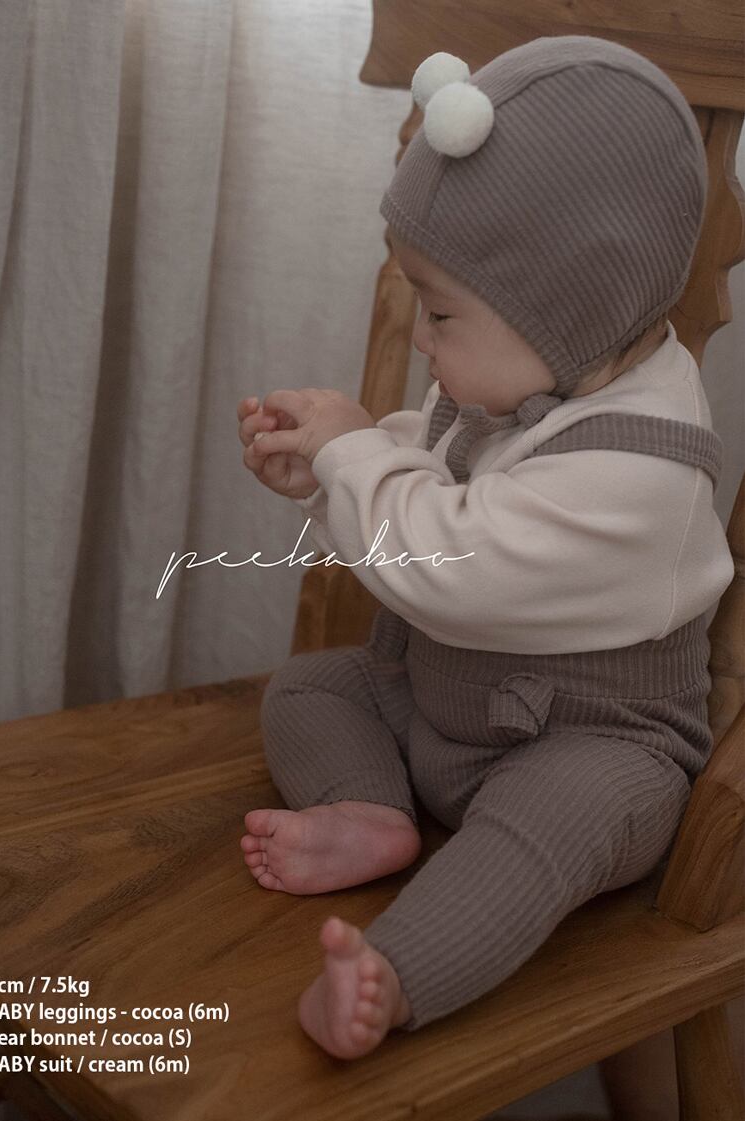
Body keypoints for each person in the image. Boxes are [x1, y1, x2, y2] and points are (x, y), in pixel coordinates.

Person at [236, 35, 735, 1066]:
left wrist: (351, 457)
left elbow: (450, 560)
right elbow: (446, 468)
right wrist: (333, 466)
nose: (421, 338)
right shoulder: (540, 372)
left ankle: (395, 974)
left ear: (569, 309)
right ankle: (369, 809)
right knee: (311, 688)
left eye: (440, 311)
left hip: (586, 745)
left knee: (546, 826)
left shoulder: (644, 471)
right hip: (441, 704)